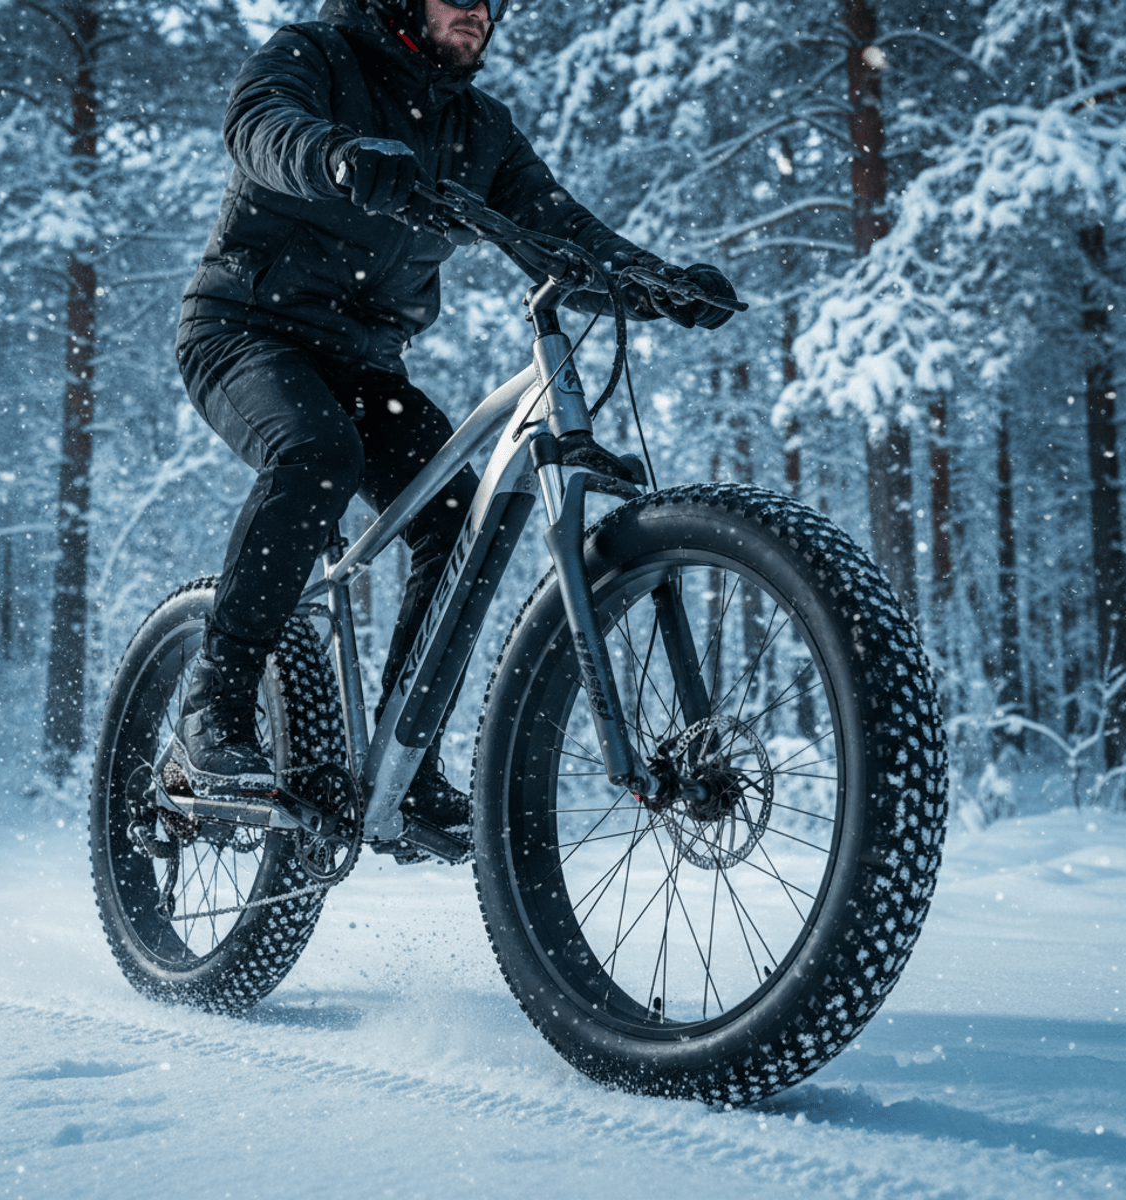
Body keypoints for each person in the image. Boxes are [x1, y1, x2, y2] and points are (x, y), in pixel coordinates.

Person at [170, 0, 741, 845]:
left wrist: (652, 284)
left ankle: (407, 764)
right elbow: (260, 124)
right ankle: (212, 709)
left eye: (491, 0)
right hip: (245, 330)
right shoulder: (316, 55)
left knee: (456, 515)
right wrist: (336, 155)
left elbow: (563, 233)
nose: (479, 10)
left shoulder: (477, 129)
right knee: (317, 452)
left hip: (366, 366)